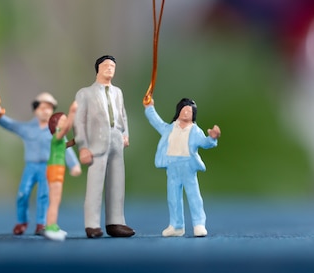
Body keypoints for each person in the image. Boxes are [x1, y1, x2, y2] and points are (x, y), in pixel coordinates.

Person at [0, 92, 82, 235]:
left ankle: (42, 223)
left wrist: (74, 164)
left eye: (49, 108)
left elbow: (65, 148)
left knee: (44, 195)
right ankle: (22, 221)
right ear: (35, 109)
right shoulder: (27, 128)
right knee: (23, 193)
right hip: (31, 167)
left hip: (47, 167)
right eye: (42, 107)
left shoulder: (55, 130)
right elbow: (11, 125)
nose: (45, 111)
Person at [74, 55, 135, 238]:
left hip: (116, 139)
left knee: (117, 183)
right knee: (95, 185)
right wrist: (83, 146)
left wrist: (125, 134)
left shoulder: (118, 92)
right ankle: (92, 224)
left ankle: (116, 222)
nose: (110, 69)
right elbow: (79, 121)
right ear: (98, 69)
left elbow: (122, 114)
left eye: (113, 66)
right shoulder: (85, 93)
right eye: (106, 65)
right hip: (96, 143)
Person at [143, 97, 221, 237]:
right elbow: (157, 122)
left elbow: (204, 142)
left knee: (194, 195)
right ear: (178, 111)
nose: (186, 114)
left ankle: (199, 224)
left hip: (188, 166)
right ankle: (176, 225)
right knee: (173, 197)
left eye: (189, 111)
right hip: (172, 165)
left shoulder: (195, 130)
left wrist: (212, 138)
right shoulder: (170, 128)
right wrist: (149, 108)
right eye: (184, 110)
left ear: (193, 115)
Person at [44, 101, 78, 241]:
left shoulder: (59, 139)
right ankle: (50, 227)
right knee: (54, 200)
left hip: (58, 169)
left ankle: (53, 225)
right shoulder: (57, 135)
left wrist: (75, 140)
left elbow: (66, 145)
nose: (66, 123)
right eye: (63, 121)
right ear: (56, 124)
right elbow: (65, 130)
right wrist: (72, 112)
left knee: (56, 200)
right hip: (55, 169)